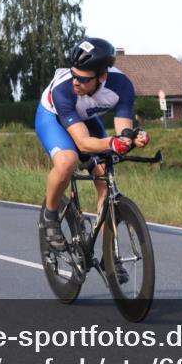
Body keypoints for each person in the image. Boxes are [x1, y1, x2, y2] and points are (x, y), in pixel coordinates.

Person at [35, 37, 149, 248]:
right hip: (52, 118)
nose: (76, 82)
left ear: (103, 76)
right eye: (74, 74)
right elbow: (84, 143)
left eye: (83, 79)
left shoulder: (122, 86)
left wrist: (133, 137)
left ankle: (108, 255)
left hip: (86, 118)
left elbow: (123, 129)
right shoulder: (63, 89)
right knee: (67, 162)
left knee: (105, 180)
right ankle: (50, 217)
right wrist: (114, 143)